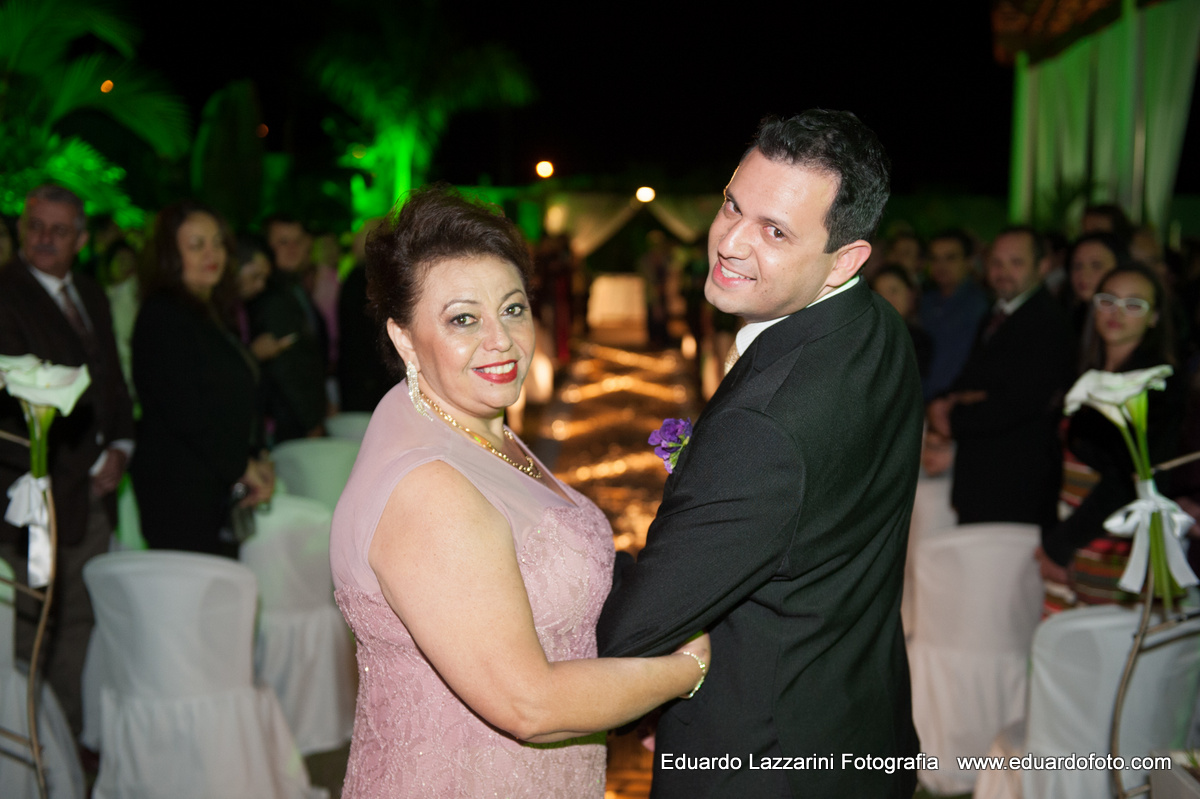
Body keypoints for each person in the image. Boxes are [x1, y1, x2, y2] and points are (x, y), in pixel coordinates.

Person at [329, 186, 710, 798]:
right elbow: (527, 704)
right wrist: (686, 671)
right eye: (462, 319)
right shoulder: (428, 487)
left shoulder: (478, 430)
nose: (500, 340)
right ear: (404, 340)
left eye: (512, 308)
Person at [596, 110, 923, 798]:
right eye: (731, 206)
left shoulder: (766, 426)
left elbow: (633, 630)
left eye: (775, 231)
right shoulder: (878, 328)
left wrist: (576, 550)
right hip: (861, 728)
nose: (730, 243)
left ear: (846, 260)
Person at [0, 184, 136, 736]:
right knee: (30, 630)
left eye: (59, 230)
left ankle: (66, 743)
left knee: (78, 622)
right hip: (32, 495)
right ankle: (30, 745)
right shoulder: (5, 294)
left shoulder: (88, 292)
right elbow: (16, 405)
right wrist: (85, 462)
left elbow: (110, 379)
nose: (45, 239)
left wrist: (121, 447)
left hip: (94, 494)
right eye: (35, 226)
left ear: (81, 238)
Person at [130, 201, 273, 557]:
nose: (213, 254)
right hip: (179, 492)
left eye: (217, 242)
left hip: (213, 485)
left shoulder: (206, 310)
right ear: (170, 256)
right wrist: (243, 466)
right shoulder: (162, 316)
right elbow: (185, 411)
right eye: (196, 245)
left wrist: (256, 455)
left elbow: (229, 396)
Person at [1037, 264, 1185, 608]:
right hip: (1067, 526)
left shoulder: (1159, 385)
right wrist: (1051, 538)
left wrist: (1061, 545)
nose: (1116, 313)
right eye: (1108, 300)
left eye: (1134, 304)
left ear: (1154, 318)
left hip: (1111, 542)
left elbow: (1125, 480)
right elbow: (1051, 464)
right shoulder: (1081, 370)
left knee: (1102, 645)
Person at [928, 227, 1075, 531]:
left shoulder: (1048, 323)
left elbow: (1018, 402)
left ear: (1043, 266)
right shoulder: (996, 314)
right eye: (996, 263)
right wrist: (946, 400)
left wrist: (952, 417)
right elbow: (972, 381)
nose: (1003, 272)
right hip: (983, 478)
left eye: (1016, 262)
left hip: (1015, 483)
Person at [919, 228, 988, 399]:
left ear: (969, 261)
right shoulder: (925, 301)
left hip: (952, 401)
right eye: (935, 258)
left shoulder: (979, 306)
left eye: (950, 258)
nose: (941, 266)